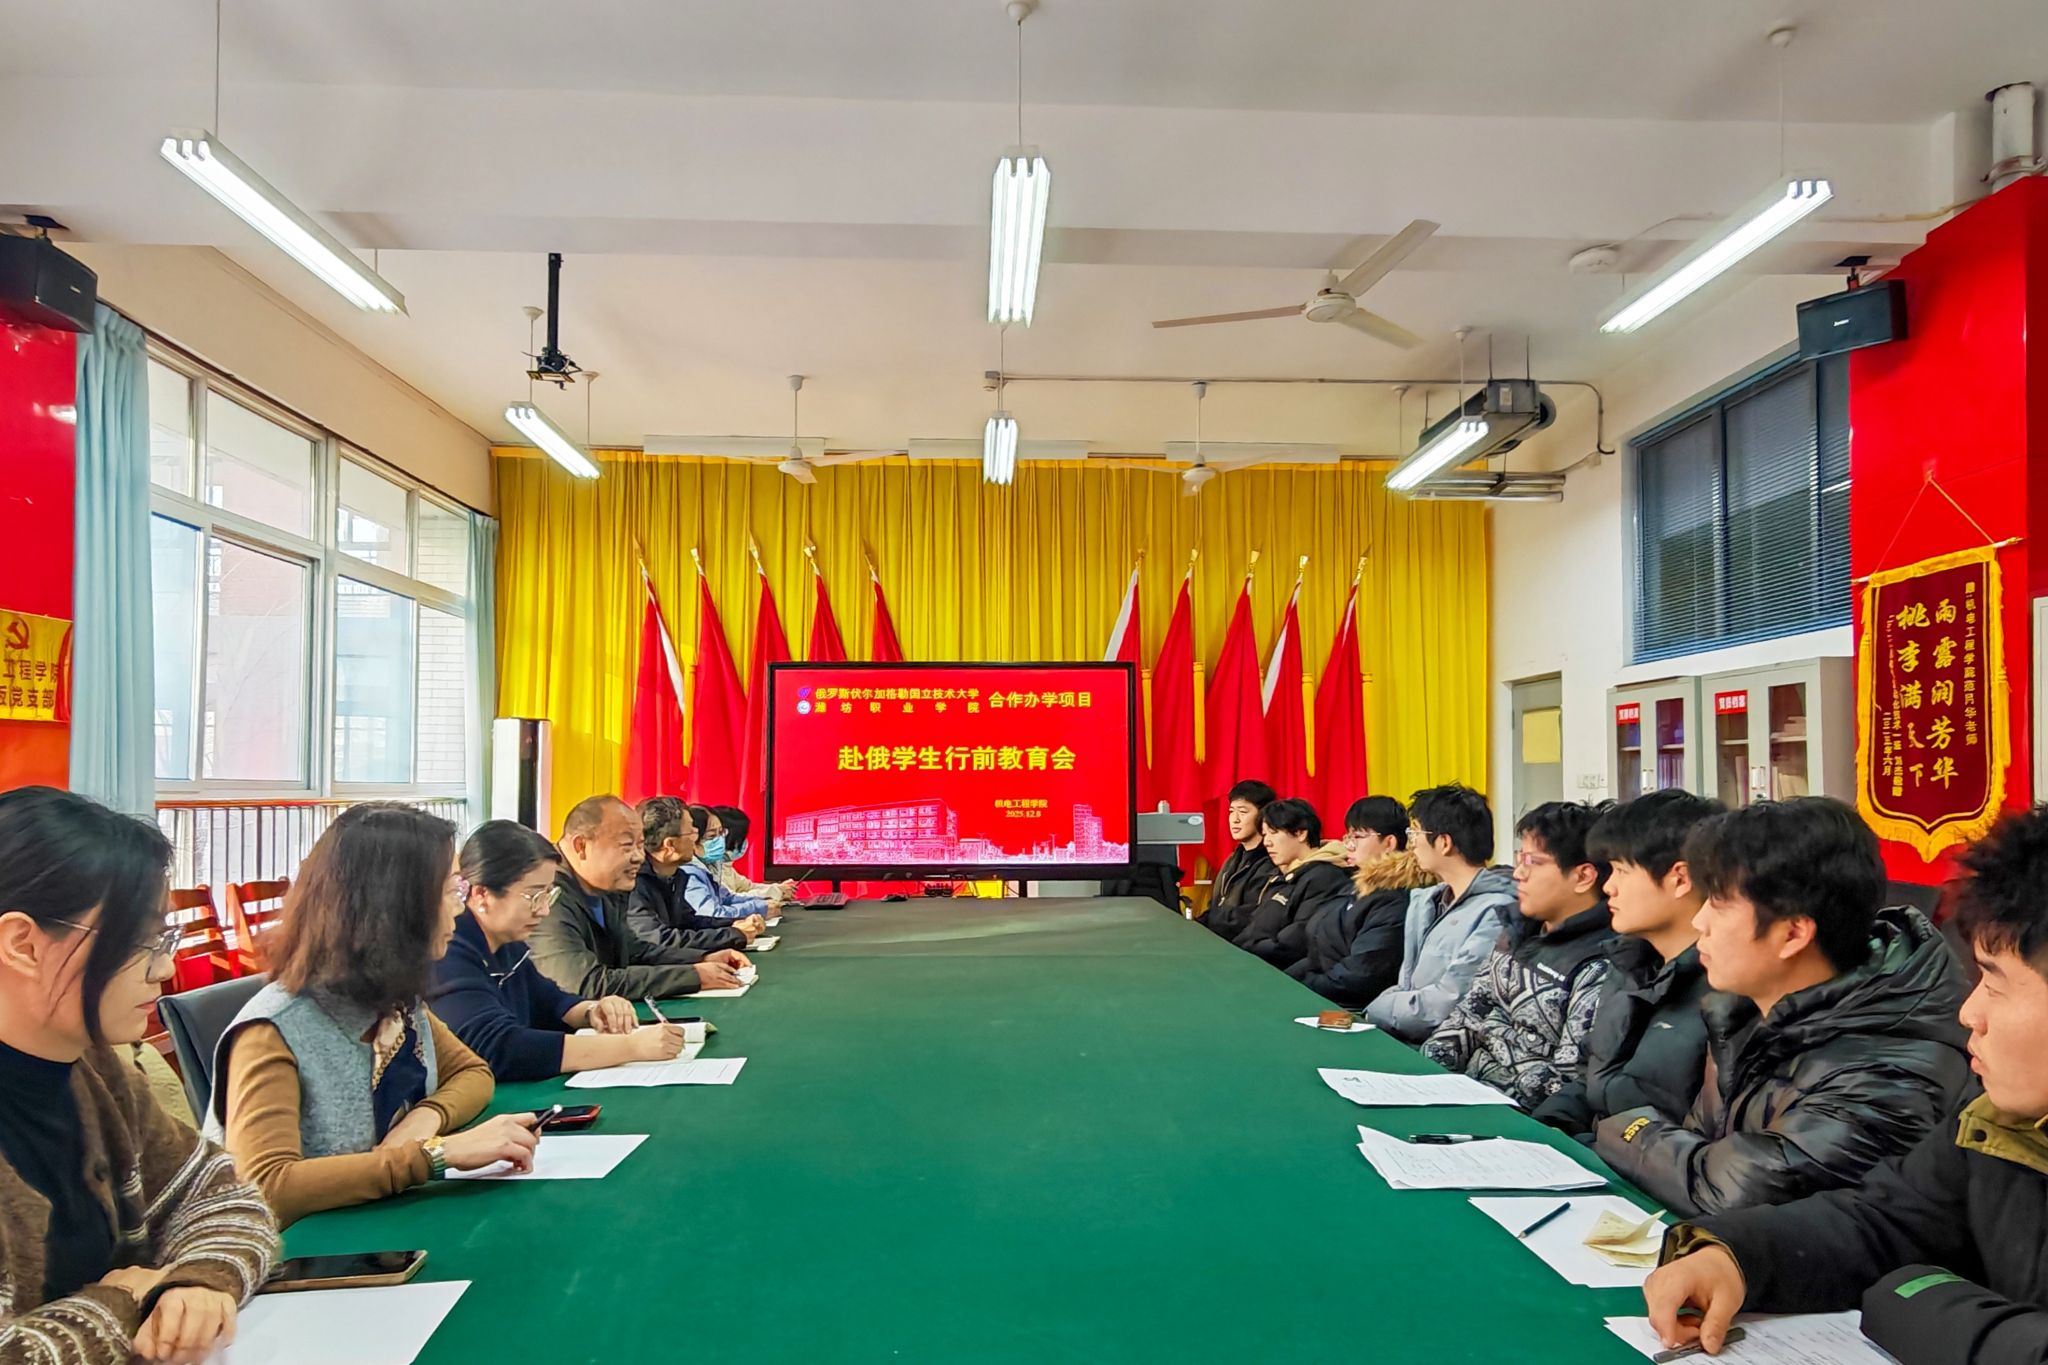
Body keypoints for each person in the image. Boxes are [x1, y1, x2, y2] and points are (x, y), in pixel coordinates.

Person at [1643, 805, 2048, 1363]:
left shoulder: (1897, 1062)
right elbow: (1886, 1221)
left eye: (1997, 986)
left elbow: (1902, 1285)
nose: (1970, 1013)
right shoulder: (1998, 1121)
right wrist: (1735, 1257)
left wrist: (1908, 1296)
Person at [0, 788, 278, 1365]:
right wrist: (126, 1300)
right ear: (23, 944)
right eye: (139, 942)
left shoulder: (96, 1068)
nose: (166, 967)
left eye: (163, 938)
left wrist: (199, 1281)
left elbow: (222, 1196)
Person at [1595, 797, 1970, 1218]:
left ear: (1793, 934)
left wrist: (1630, 1130)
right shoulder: (1744, 1012)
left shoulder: (1888, 1074)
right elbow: (1698, 1147)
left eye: (1718, 903)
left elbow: (1728, 1193)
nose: (1699, 922)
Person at [206, 803, 539, 1229]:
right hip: (302, 1252)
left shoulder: (392, 997)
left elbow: (472, 1072)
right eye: (447, 892)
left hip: (379, 1224)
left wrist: (425, 1119)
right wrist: (433, 1156)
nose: (459, 909)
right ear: (395, 908)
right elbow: (265, 1186)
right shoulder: (274, 1029)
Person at [429, 820, 688, 1083]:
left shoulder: (508, 942)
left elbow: (549, 1000)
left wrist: (592, 1011)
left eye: (548, 895)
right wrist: (630, 1048)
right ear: (482, 894)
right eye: (534, 896)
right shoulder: (448, 950)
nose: (544, 910)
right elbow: (498, 1048)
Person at [1533, 790, 1721, 1138]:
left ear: (1680, 879)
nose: (1609, 887)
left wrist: (1585, 1146)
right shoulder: (1629, 964)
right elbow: (1589, 1076)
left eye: (1621, 870)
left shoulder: (1723, 991)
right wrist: (1547, 1129)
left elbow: (1671, 1134)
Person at [1421, 801, 1616, 1109]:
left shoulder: (1600, 963)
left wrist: (1493, 1029)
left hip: (1516, 1115)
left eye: (1532, 862)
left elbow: (1565, 1081)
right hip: (1463, 1093)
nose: (1519, 873)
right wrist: (1427, 1074)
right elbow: (1467, 1015)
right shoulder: (1517, 930)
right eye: (1518, 858)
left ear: (1583, 876)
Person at [530, 795, 751, 1000]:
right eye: (627, 846)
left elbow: (635, 951)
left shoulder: (604, 883)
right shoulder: (545, 893)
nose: (639, 857)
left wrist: (701, 959)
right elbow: (586, 984)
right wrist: (694, 977)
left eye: (640, 845)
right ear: (581, 846)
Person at [1363, 784, 1518, 1041]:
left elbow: (1449, 1003)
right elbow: (1407, 983)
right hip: (1403, 1030)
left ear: (1444, 843)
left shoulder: (1496, 912)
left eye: (1416, 833)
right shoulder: (1428, 900)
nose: (1411, 844)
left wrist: (1378, 1009)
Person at [1288, 797, 1435, 1008]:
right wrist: (1287, 981)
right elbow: (1318, 952)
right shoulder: (1354, 885)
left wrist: (1300, 986)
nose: (1349, 845)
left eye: (1358, 836)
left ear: (1389, 843)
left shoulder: (1396, 901)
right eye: (1348, 836)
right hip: (1322, 992)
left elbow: (1359, 975)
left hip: (1348, 1007)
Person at [1232, 798, 1353, 969]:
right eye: (1265, 835)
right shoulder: (1281, 874)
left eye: (1273, 833)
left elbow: (1294, 943)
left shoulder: (1324, 877)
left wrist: (1245, 953)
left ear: (1301, 833)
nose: (1266, 842)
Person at [628, 799, 759, 953]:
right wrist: (732, 935)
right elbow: (659, 940)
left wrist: (734, 924)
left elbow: (689, 921)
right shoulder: (632, 883)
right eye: (692, 833)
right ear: (670, 845)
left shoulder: (675, 876)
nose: (696, 839)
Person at [1201, 780, 1279, 941]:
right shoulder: (1233, 859)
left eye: (1243, 812)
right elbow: (1215, 907)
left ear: (1263, 816)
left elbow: (1250, 916)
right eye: (1231, 811)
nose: (1235, 819)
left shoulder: (1272, 862)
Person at [680, 805, 773, 921]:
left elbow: (726, 897)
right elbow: (711, 914)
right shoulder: (688, 873)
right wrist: (759, 908)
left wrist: (763, 903)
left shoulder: (710, 867)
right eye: (711, 836)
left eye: (721, 833)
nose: (720, 840)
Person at [706, 805, 798, 905]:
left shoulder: (725, 867)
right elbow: (731, 899)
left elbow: (747, 887)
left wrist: (779, 888)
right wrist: (775, 892)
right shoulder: (708, 869)